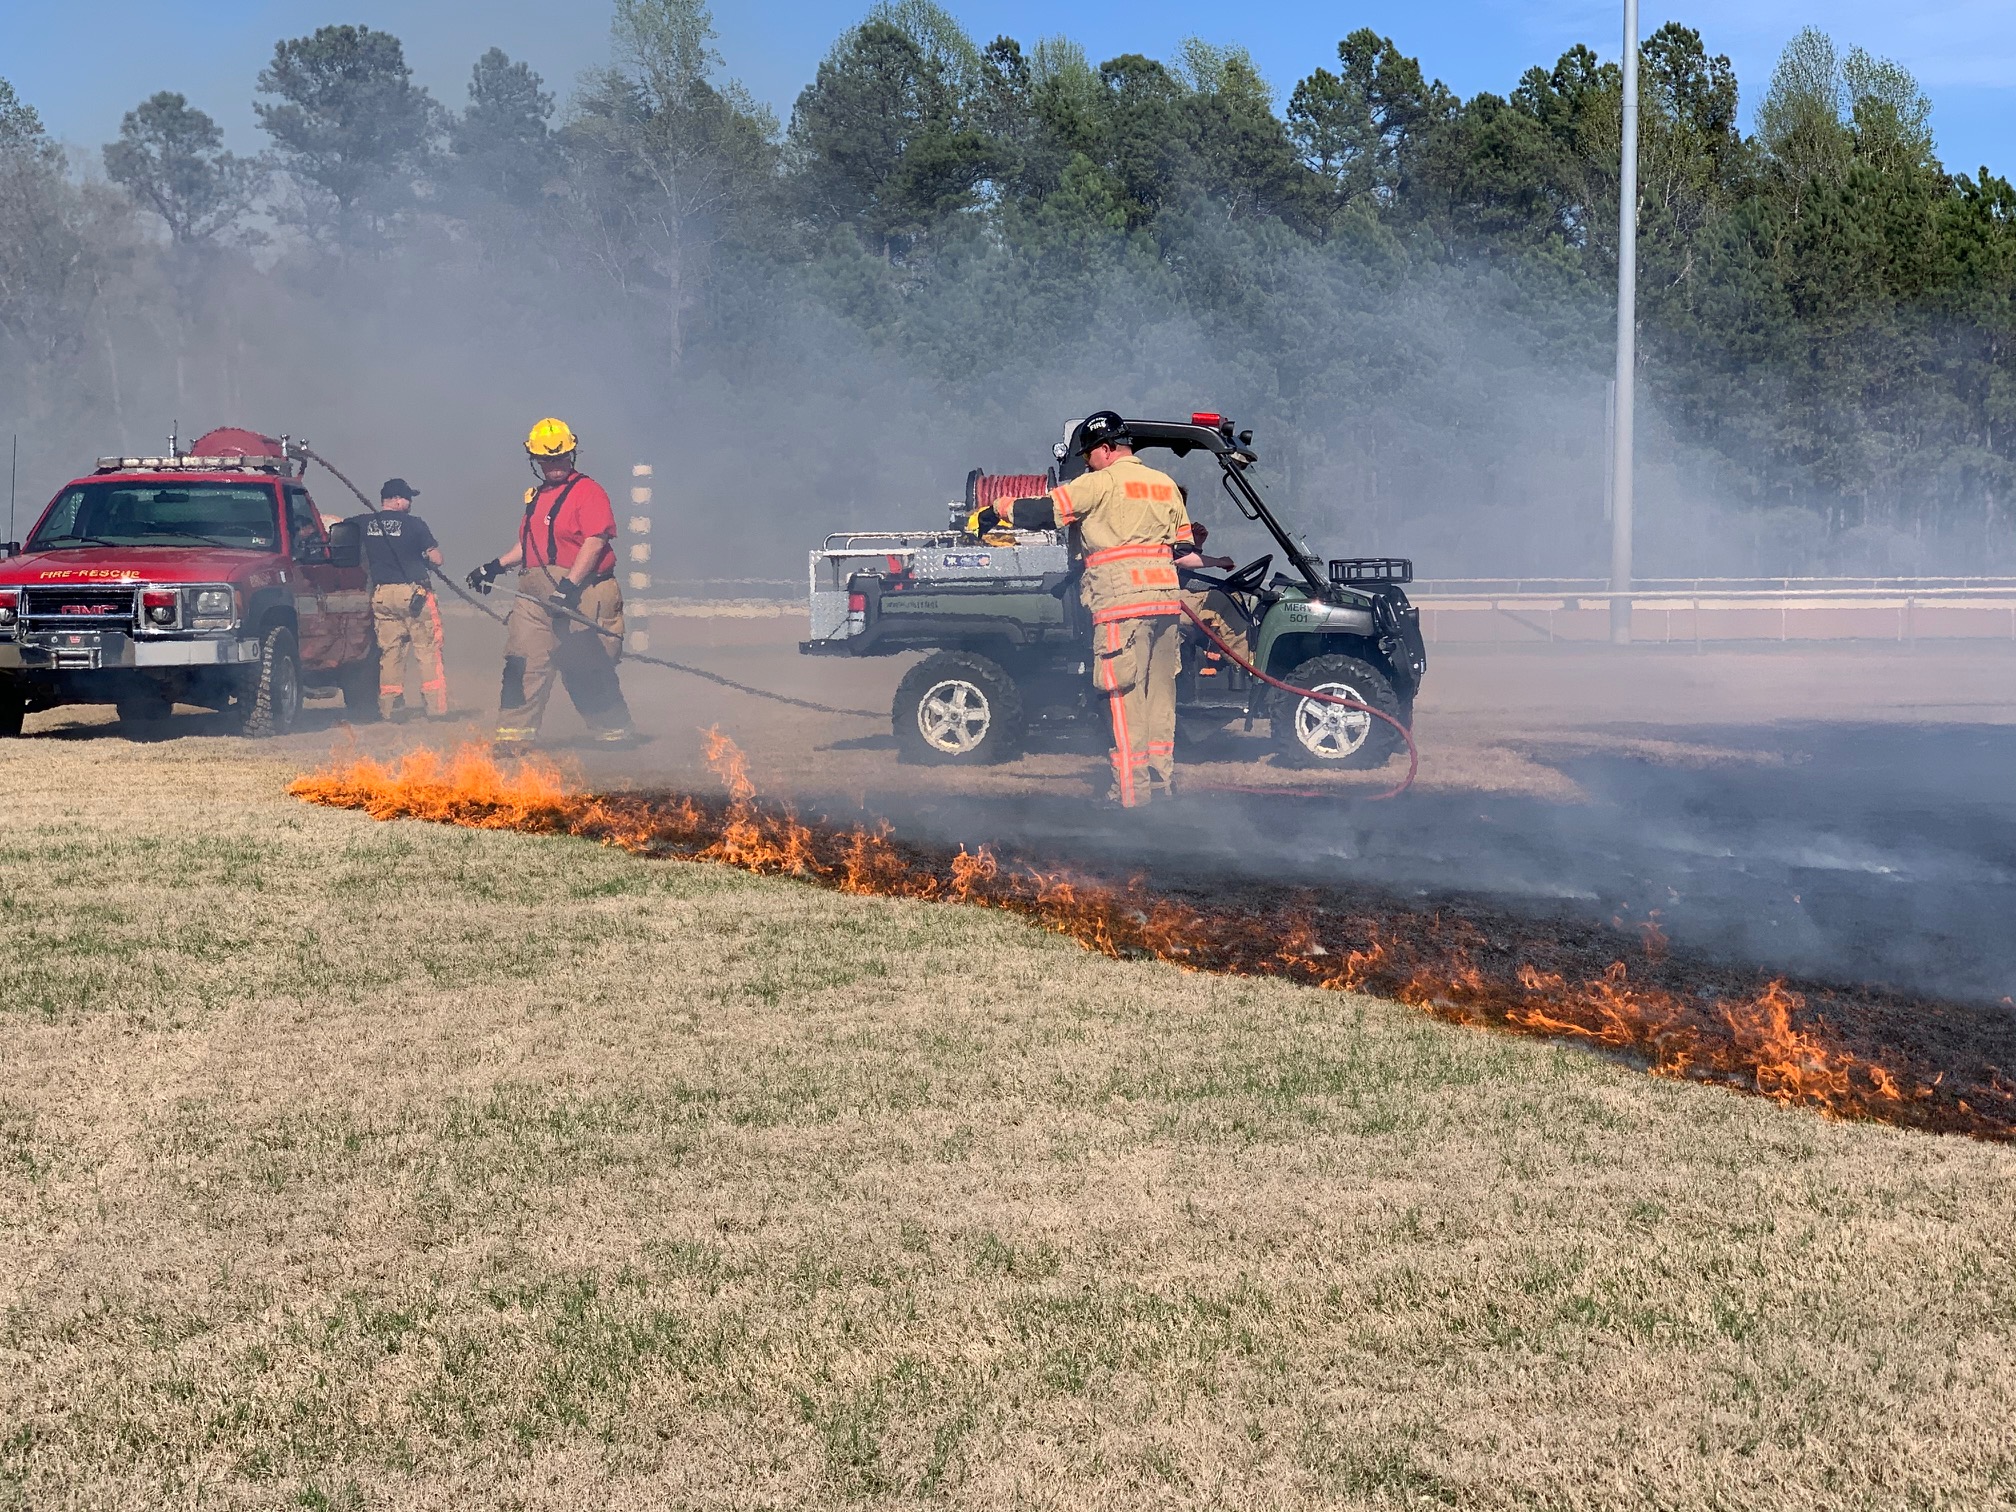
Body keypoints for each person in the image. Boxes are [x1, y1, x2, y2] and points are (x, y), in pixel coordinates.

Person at [978, 410, 1192, 806]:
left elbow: (1044, 512)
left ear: (1107, 449)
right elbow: (1184, 546)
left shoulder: (1099, 483)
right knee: (1159, 697)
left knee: (1122, 698)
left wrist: (998, 508)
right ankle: (1161, 784)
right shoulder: (1165, 485)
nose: (1086, 462)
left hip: (1120, 606)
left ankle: (1131, 796)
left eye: (1089, 454)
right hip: (1165, 606)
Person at [464, 418, 636, 748]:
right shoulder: (538, 497)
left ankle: (615, 736)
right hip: (534, 595)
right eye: (546, 460)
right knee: (522, 662)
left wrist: (569, 586)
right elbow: (530, 546)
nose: (553, 465)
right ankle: (513, 739)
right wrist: (492, 567)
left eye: (559, 459)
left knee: (585, 666)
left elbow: (595, 540)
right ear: (535, 461)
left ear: (571, 455)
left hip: (584, 592)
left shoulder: (589, 491)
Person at [361, 478, 449, 721]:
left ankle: (390, 708)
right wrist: (424, 556)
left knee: (390, 653)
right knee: (427, 650)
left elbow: (337, 526)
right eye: (408, 498)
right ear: (398, 499)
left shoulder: (366, 523)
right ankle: (436, 708)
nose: (410, 504)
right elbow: (437, 559)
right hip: (413, 595)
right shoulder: (415, 524)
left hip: (382, 596)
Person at [1174, 520, 1252, 668]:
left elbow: (1180, 579)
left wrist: (1196, 546)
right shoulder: (1152, 530)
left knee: (1233, 596)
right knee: (1218, 601)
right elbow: (1182, 560)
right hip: (1156, 600)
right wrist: (1220, 562)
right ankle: (1246, 667)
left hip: (1165, 596)